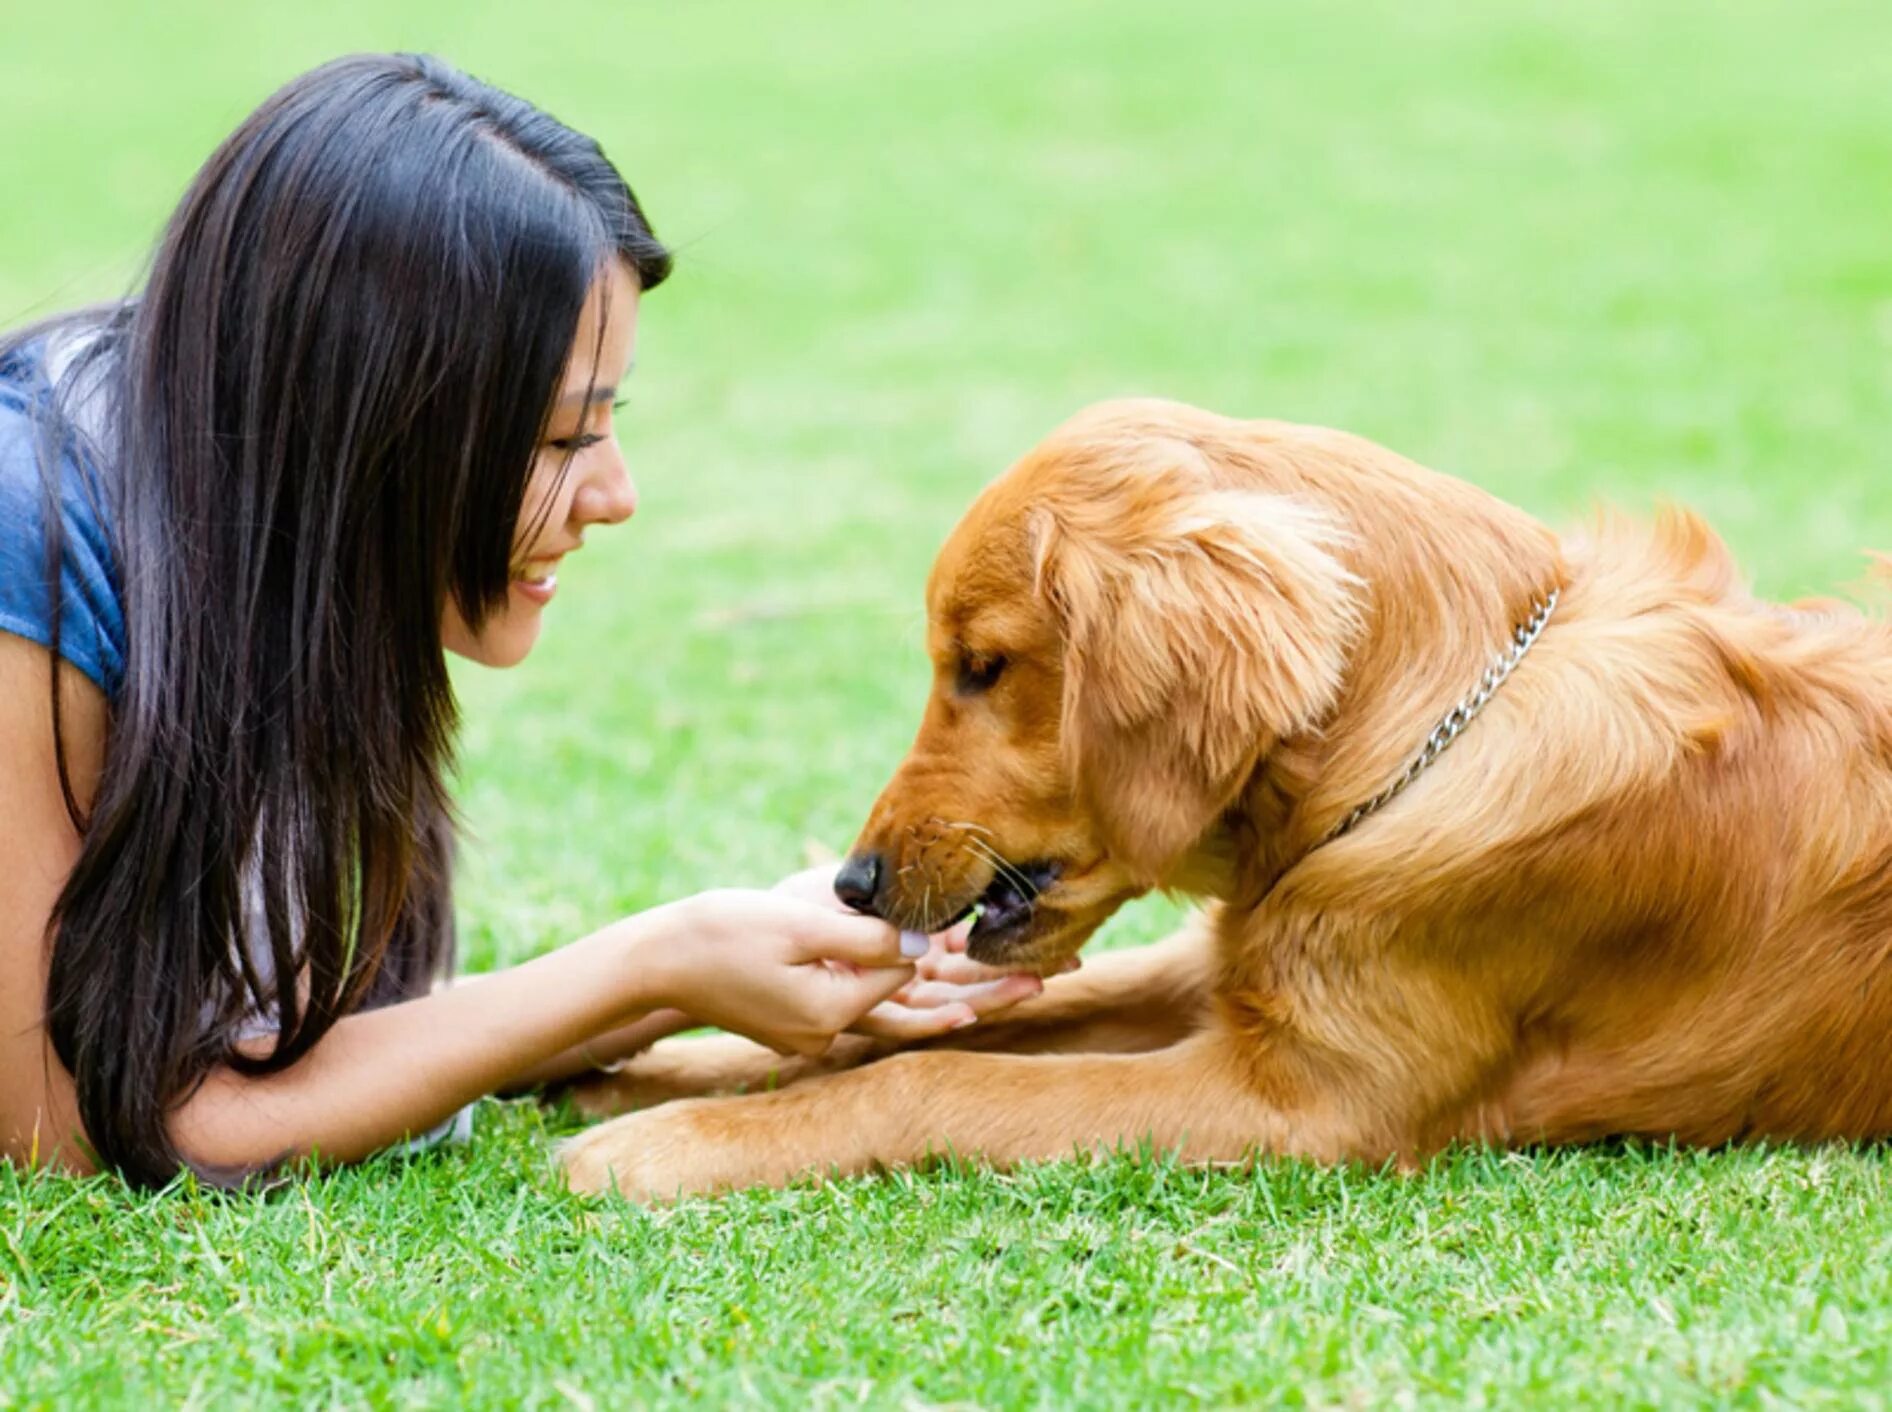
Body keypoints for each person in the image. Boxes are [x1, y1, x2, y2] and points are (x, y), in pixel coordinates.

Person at [0, 53, 1042, 1187]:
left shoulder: (254, 532)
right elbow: (69, 1127)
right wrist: (653, 962)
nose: (616, 494)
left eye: (605, 422)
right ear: (368, 429)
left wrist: (709, 965)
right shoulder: (34, 541)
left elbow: (276, 1052)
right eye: (558, 440)